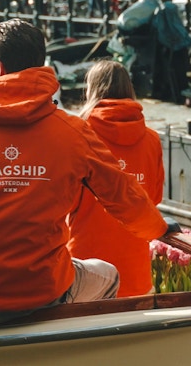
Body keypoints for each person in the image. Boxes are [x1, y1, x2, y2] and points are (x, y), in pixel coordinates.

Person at [0, 19, 169, 326]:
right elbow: (125, 199)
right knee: (108, 275)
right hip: (43, 292)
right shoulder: (72, 132)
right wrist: (158, 229)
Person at [68, 60, 165, 297]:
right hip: (135, 273)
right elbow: (153, 199)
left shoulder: (78, 135)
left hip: (87, 273)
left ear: (91, 90)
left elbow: (64, 202)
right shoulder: (151, 140)